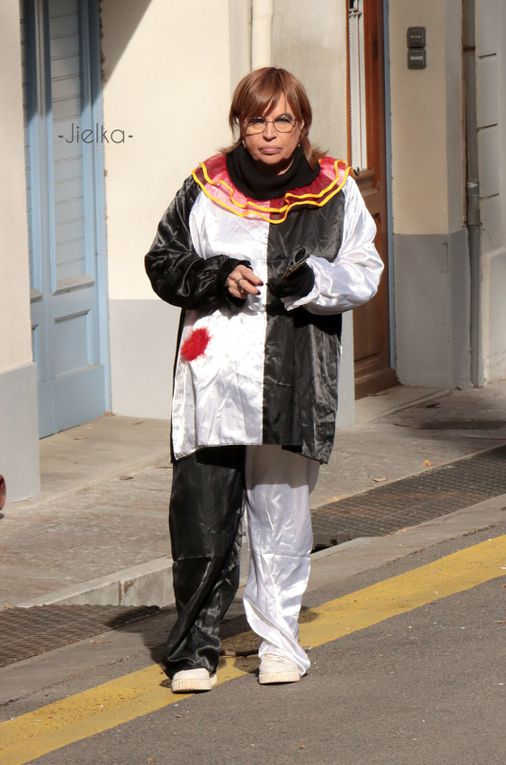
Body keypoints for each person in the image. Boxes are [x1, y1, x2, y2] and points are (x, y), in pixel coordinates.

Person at [145, 66, 383, 693]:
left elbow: (365, 267)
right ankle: (194, 651)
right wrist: (216, 273)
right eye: (257, 120)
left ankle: (280, 643)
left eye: (283, 120)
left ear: (301, 125)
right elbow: (163, 260)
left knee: (281, 518)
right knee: (201, 519)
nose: (270, 133)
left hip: (291, 377)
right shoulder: (204, 184)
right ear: (240, 125)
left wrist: (316, 282)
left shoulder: (335, 190)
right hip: (212, 377)